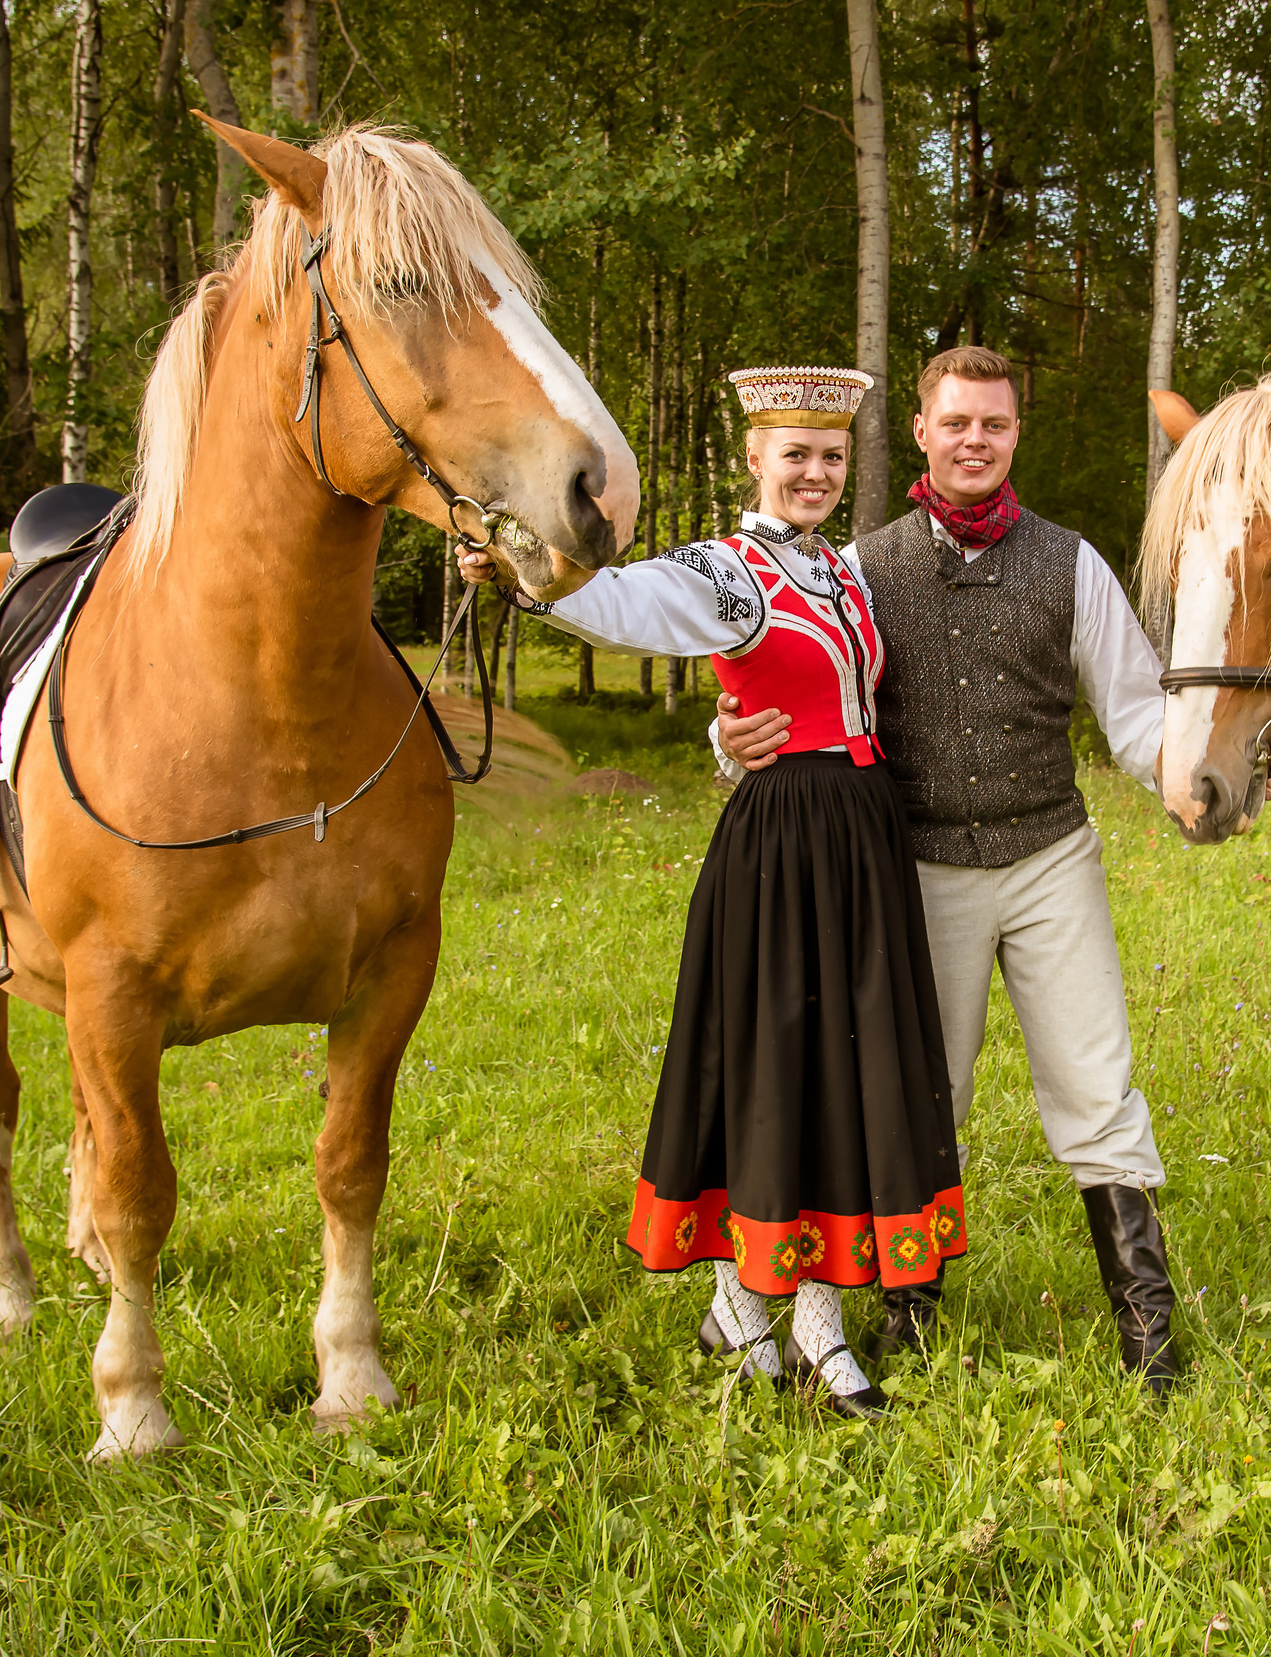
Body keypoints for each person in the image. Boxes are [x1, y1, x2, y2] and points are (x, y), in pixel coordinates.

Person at [458, 365, 960, 1419]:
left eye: (829, 456)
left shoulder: (845, 570)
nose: (814, 472)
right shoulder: (728, 574)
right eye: (795, 455)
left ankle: (779, 1313)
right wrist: (521, 565)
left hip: (861, 839)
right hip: (784, 846)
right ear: (754, 459)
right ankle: (773, 1313)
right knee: (778, 1066)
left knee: (838, 1067)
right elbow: (620, 602)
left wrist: (724, 742)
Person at [716, 345, 1180, 1393]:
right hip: (916, 867)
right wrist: (725, 738)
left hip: (1049, 854)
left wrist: (1192, 784)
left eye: (996, 425)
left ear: (1017, 436)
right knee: (924, 1094)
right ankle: (907, 1312)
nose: (976, 439)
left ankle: (1146, 1329)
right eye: (957, 421)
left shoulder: (1070, 563)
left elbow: (1137, 709)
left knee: (1097, 1087)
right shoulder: (858, 568)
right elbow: (790, 688)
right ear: (921, 432)